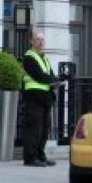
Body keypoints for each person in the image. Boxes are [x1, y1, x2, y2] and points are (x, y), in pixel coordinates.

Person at [21, 30, 58, 166]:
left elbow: (50, 74)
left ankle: (40, 155)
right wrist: (54, 81)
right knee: (33, 129)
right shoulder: (29, 57)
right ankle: (30, 158)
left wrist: (56, 81)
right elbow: (39, 76)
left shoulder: (44, 58)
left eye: (42, 39)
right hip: (33, 98)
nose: (41, 42)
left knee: (44, 129)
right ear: (31, 41)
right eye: (37, 39)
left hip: (45, 98)